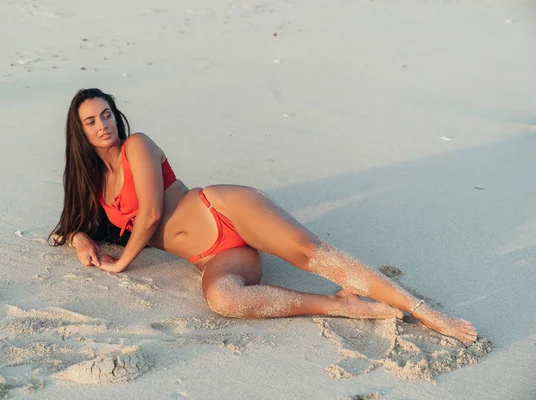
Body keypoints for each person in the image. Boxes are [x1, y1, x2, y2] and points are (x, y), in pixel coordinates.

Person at [50, 88, 477, 345]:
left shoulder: (136, 146)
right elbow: (82, 223)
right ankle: (337, 304)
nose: (103, 124)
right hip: (216, 257)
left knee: (311, 253)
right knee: (225, 300)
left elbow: (150, 215)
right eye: (92, 121)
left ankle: (422, 311)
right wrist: (80, 238)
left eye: (106, 114)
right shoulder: (94, 182)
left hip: (223, 210)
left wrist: (123, 263)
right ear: (81, 133)